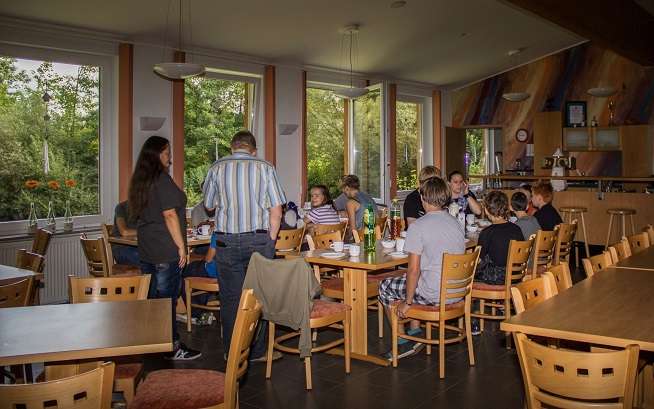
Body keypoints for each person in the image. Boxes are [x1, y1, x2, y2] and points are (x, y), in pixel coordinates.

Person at [203, 130, 286, 362]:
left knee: (230, 299)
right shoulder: (265, 167)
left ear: (232, 147)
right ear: (253, 150)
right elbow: (277, 211)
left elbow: (209, 206)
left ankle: (233, 353)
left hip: (226, 241)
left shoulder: (216, 167)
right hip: (258, 240)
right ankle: (256, 352)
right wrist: (270, 240)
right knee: (258, 296)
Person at [128, 135, 201, 360]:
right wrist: (181, 247)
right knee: (167, 301)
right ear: (158, 154)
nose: (170, 158)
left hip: (147, 247)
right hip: (164, 248)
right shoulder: (161, 179)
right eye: (167, 152)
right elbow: (169, 215)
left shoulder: (141, 181)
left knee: (153, 300)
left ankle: (154, 342)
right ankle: (172, 346)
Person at [378, 176, 465, 359]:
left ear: (423, 198)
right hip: (458, 291)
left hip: (434, 293)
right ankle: (415, 332)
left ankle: (402, 341)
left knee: (385, 286)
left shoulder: (418, 226)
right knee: (414, 279)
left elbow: (413, 270)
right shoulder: (455, 222)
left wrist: (408, 302)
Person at [475, 191, 524, 286]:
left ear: (486, 210)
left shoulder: (487, 232)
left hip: (496, 279)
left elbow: (478, 261)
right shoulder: (517, 229)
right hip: (516, 276)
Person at [180, 233, 218, 324]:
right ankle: (201, 309)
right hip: (231, 274)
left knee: (187, 271)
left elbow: (208, 259)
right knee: (198, 268)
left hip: (214, 272)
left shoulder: (219, 231)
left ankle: (194, 314)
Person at [110, 201, 140, 266]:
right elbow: (124, 232)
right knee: (146, 259)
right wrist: (145, 231)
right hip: (121, 247)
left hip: (139, 247)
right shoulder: (121, 207)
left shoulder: (147, 210)